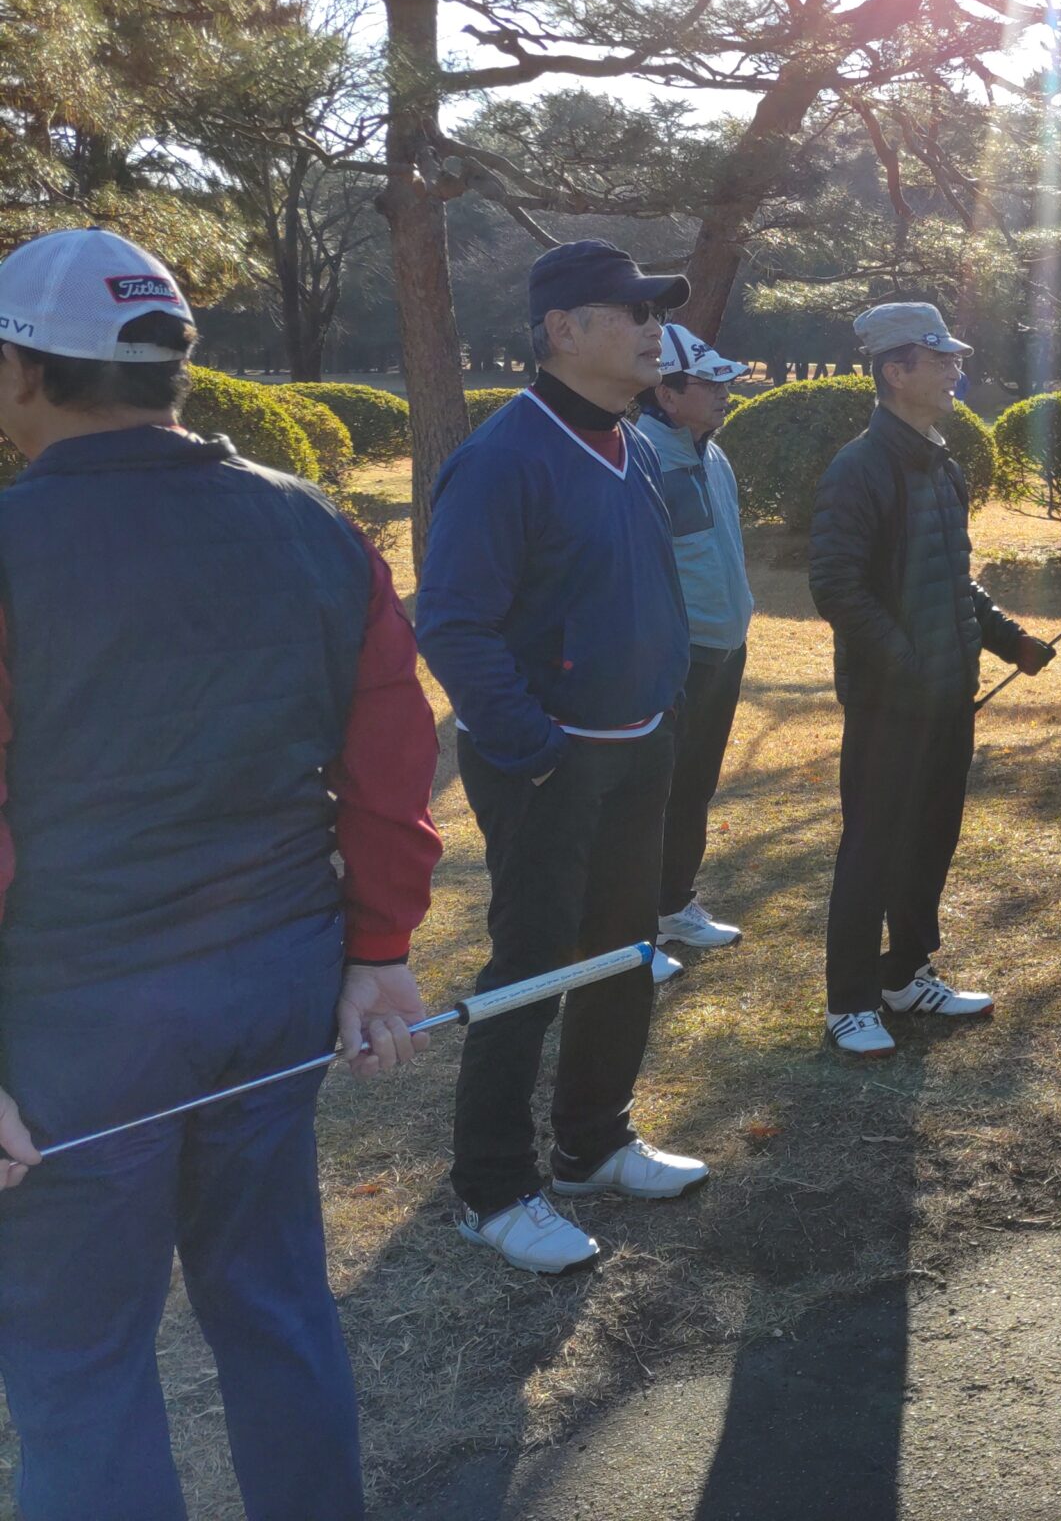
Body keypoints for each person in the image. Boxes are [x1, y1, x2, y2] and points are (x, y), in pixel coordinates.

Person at [0, 229, 441, 1517]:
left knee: (80, 1365)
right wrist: (377, 950)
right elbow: (391, 763)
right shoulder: (312, 525)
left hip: (74, 1023)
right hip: (270, 988)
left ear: (21, 372)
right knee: (276, 1306)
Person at [417, 239, 707, 1276]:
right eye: (632, 312)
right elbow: (452, 623)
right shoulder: (504, 456)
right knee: (531, 969)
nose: (654, 330)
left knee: (624, 951)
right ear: (563, 329)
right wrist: (536, 750)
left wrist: (662, 706)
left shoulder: (635, 444)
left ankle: (593, 1145)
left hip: (638, 747)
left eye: (654, 312)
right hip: (549, 764)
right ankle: (492, 1189)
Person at [808, 303, 1052, 1056]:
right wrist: (909, 667)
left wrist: (1007, 638)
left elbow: (953, 578)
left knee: (931, 840)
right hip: (890, 704)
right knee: (872, 848)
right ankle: (850, 1001)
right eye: (939, 358)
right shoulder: (859, 468)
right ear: (895, 371)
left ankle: (906, 973)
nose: (956, 370)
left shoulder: (941, 462)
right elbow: (837, 588)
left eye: (954, 357)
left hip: (948, 697)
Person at [633, 324, 755, 958]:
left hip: (724, 652)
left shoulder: (714, 455)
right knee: (654, 793)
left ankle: (674, 906)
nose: (724, 394)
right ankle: (634, 925)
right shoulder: (641, 459)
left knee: (696, 786)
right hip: (678, 660)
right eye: (710, 385)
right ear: (667, 393)